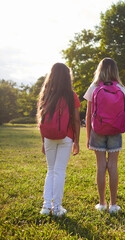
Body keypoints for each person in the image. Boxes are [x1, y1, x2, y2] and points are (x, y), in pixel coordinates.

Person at [84, 58, 125, 214]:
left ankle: (102, 203)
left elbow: (88, 115)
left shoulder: (93, 87)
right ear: (115, 71)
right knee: (113, 166)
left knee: (100, 166)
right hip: (115, 131)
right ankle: (113, 205)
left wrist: (87, 136)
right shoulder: (120, 88)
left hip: (97, 130)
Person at [37, 63, 81, 216]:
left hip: (48, 137)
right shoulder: (71, 95)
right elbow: (76, 120)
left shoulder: (46, 94)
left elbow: (41, 120)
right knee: (60, 172)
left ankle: (45, 207)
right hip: (66, 136)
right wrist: (77, 141)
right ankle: (57, 208)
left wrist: (43, 141)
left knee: (50, 171)